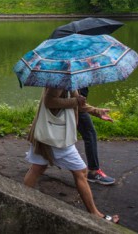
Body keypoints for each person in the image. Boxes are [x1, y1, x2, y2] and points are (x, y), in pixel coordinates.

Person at [23, 87, 119, 224]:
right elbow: (49, 101)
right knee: (80, 172)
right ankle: (95, 214)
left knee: (37, 168)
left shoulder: (68, 79)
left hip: (47, 135)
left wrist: (97, 112)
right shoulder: (58, 80)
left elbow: (79, 102)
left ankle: (21, 198)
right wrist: (75, 101)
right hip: (56, 137)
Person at [77, 87, 115, 185]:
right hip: (76, 110)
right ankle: (93, 171)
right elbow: (78, 104)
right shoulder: (77, 76)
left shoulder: (80, 76)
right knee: (90, 135)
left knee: (90, 134)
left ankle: (39, 161)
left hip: (75, 109)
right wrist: (97, 111)